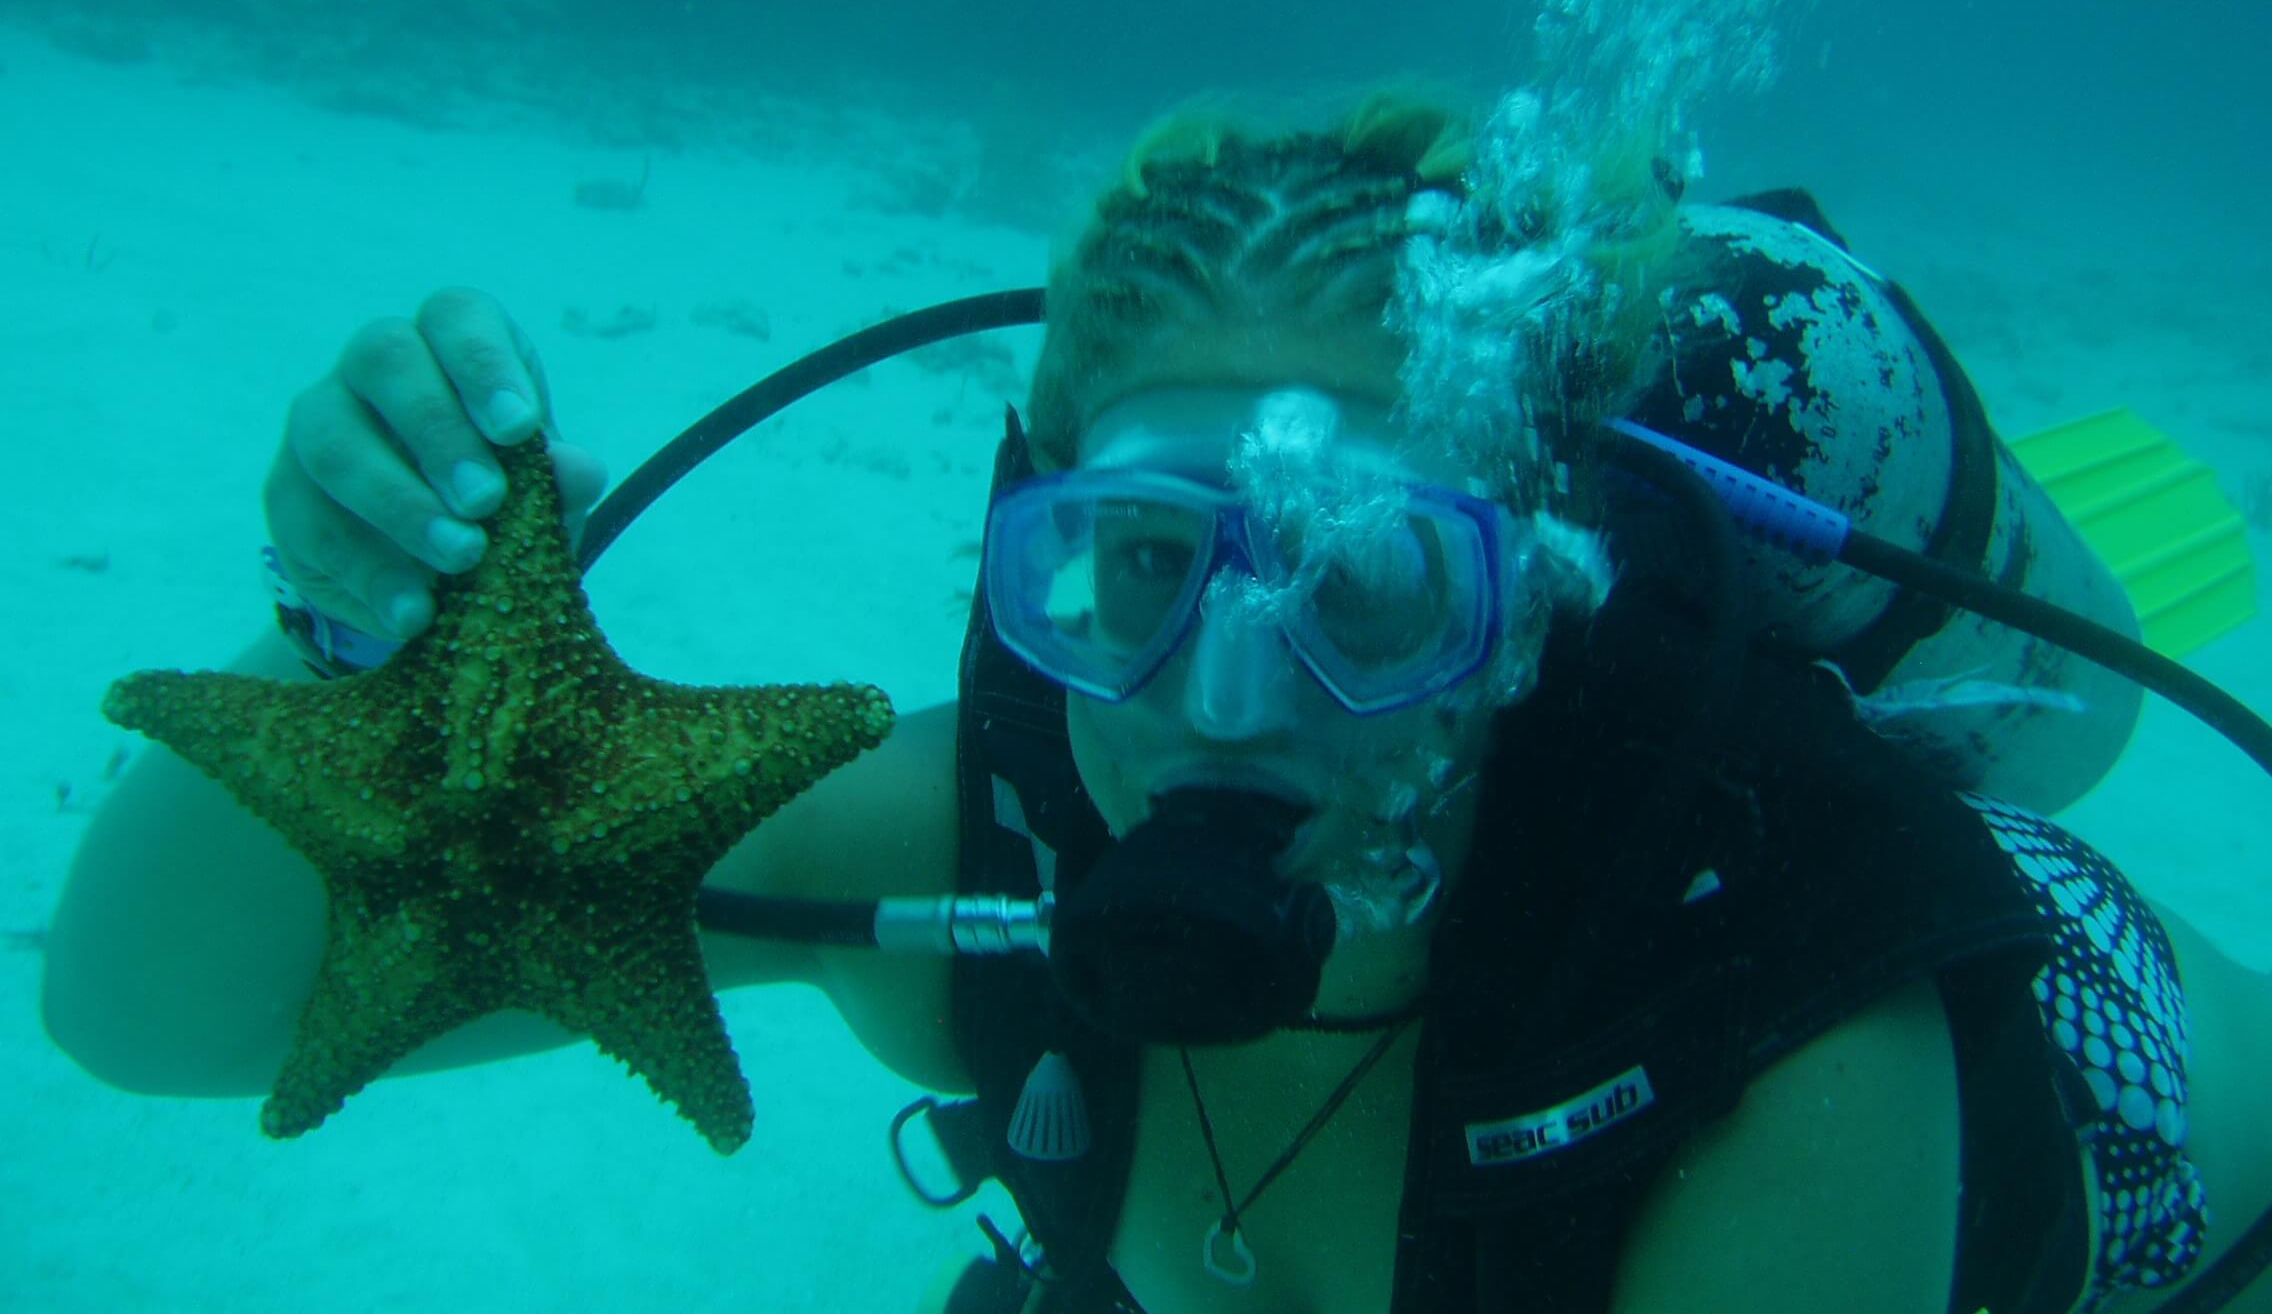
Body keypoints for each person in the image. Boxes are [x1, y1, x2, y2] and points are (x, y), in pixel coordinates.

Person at [42, 90, 2272, 1314]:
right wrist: (351, 643)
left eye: (1372, 585)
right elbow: (164, 1017)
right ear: (1035, 578)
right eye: (1130, 569)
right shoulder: (974, 857)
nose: (1225, 698)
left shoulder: (1772, 1015)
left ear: (1522, 620)